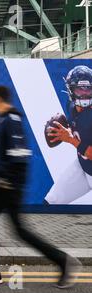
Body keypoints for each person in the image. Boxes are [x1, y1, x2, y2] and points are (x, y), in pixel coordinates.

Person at [0, 86, 82, 289]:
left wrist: (5, 180)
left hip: (6, 187)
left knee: (16, 230)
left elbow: (19, 155)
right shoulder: (2, 120)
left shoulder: (11, 120)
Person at [45, 65, 92, 204]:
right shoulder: (71, 107)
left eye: (88, 89)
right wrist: (60, 130)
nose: (84, 94)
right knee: (51, 202)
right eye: (79, 89)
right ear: (71, 90)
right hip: (83, 166)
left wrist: (70, 139)